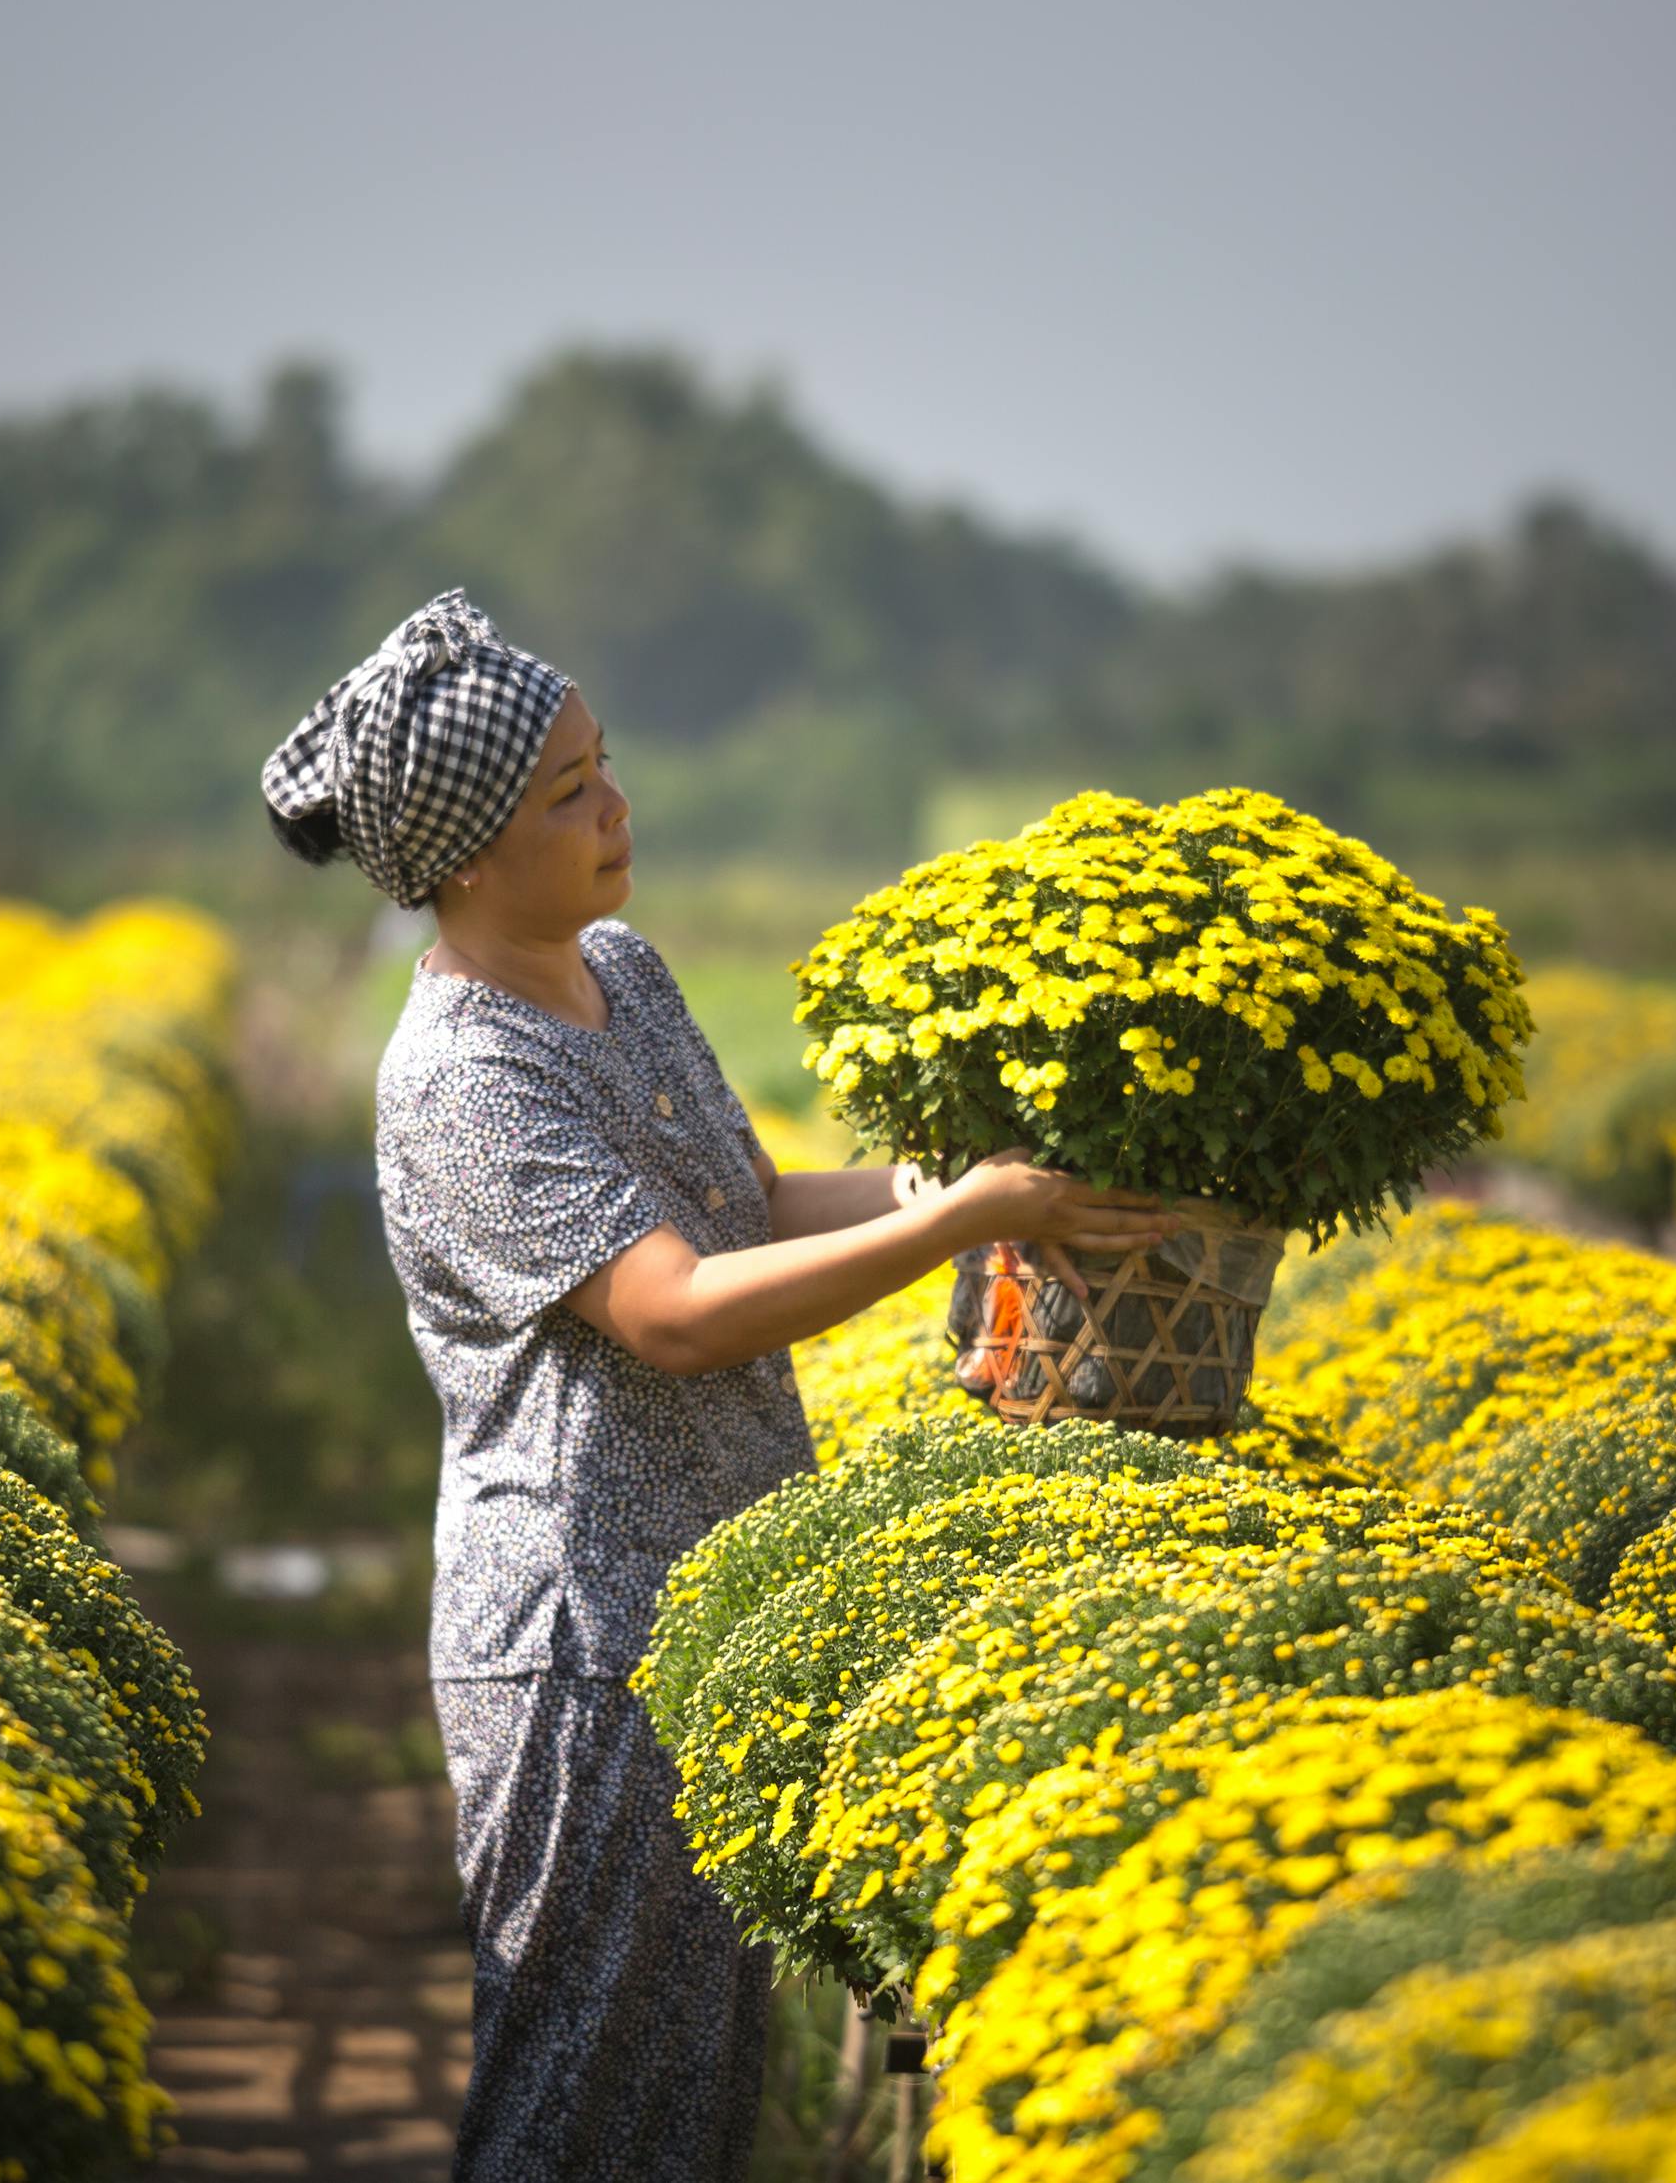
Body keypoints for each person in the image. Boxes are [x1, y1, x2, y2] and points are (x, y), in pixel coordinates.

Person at [260, 590, 1178, 2181]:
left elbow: (746, 1204)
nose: (618, 807)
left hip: (701, 1606)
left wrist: (956, 1177)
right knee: (581, 2101)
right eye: (568, 793)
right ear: (467, 855)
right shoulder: (465, 1073)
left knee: (684, 2102)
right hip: (582, 1643)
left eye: (605, 764)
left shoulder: (619, 967)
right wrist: (970, 1217)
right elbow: (676, 1310)